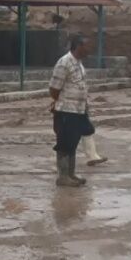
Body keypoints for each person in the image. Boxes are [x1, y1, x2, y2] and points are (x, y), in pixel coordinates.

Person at [49, 34, 93, 187]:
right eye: (87, 45)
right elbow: (54, 88)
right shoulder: (64, 62)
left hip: (78, 110)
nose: (89, 49)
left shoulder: (79, 64)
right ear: (78, 46)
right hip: (66, 110)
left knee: (73, 143)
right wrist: (59, 102)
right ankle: (63, 176)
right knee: (64, 144)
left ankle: (71, 174)